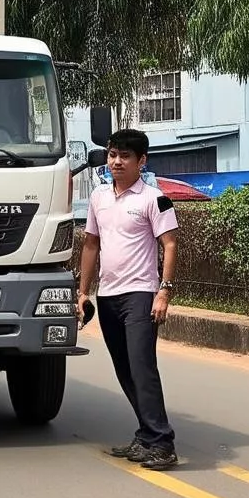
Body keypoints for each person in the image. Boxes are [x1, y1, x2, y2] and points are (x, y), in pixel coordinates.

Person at [77, 128, 179, 470]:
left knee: (142, 366)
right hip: (108, 296)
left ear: (141, 161)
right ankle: (147, 434)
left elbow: (170, 244)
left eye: (124, 156)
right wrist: (82, 292)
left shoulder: (153, 198)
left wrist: (164, 290)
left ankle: (162, 442)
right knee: (124, 369)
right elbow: (91, 244)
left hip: (140, 294)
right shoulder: (99, 198)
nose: (116, 162)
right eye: (112, 155)